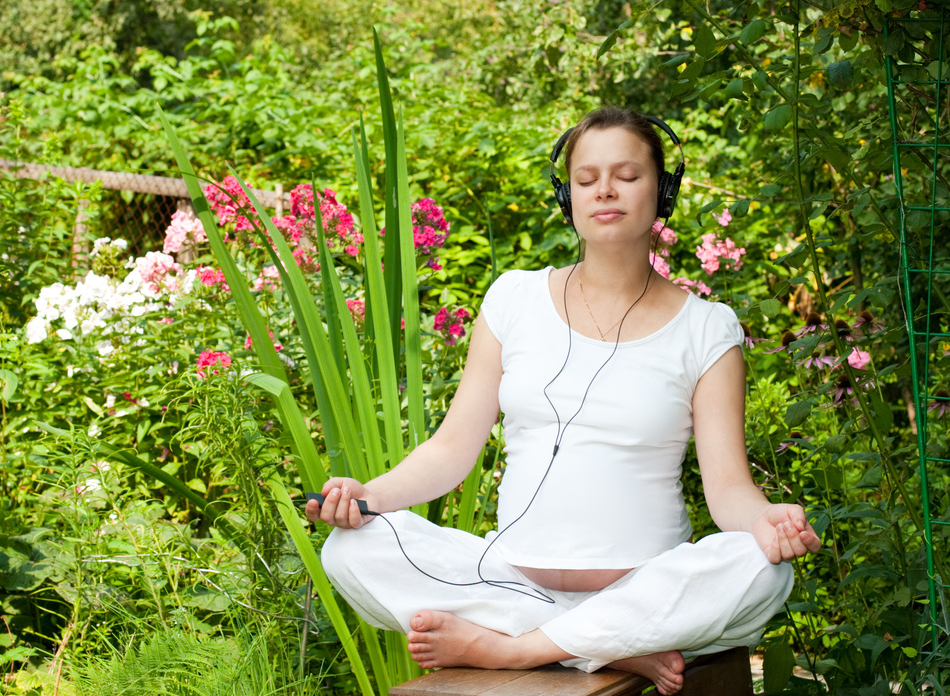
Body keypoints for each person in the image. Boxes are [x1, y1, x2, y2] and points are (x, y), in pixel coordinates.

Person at [304, 105, 822, 695]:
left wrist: (767, 522)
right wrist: (366, 497)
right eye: (585, 179)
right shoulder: (514, 299)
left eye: (627, 175)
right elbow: (451, 451)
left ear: (663, 191)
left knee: (760, 568)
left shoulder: (708, 329)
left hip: (642, 587)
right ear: (566, 196)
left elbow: (728, 489)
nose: (605, 189)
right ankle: (609, 647)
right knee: (350, 551)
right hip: (507, 585)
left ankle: (523, 648)